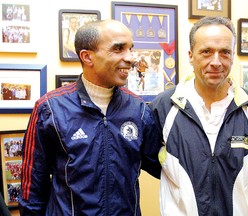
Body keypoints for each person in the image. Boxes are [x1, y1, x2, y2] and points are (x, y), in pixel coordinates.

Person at [19, 20, 162, 215]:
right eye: (118, 49)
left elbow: (164, 167)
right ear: (87, 57)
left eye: (131, 48)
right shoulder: (50, 109)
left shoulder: (139, 110)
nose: (130, 58)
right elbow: (32, 188)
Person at [149, 16, 248, 215]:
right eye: (206, 52)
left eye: (224, 52)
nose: (216, 62)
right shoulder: (164, 107)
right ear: (191, 55)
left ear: (232, 56)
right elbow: (152, 161)